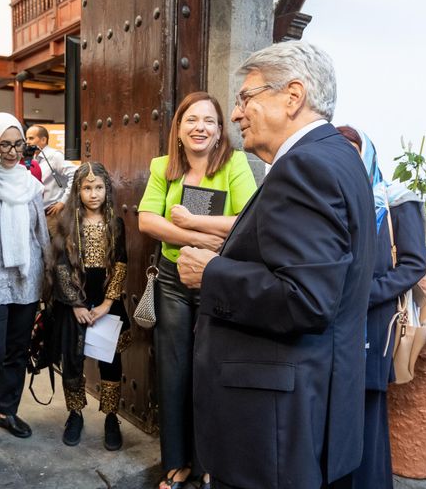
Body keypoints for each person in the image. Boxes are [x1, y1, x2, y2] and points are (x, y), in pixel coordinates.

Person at [176, 41, 376, 489]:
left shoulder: (304, 167)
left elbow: (306, 299)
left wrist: (211, 274)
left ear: (293, 96)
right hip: (307, 403)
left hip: (276, 424)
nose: (236, 113)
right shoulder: (338, 156)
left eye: (246, 97)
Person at [137, 91, 257, 489]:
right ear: (179, 129)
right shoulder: (163, 168)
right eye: (191, 120)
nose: (200, 127)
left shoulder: (235, 164)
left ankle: (211, 462)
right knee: (173, 370)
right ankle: (176, 460)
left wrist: (191, 223)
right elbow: (147, 221)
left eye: (209, 121)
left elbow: (248, 221)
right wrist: (203, 234)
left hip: (215, 278)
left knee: (211, 369)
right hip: (172, 276)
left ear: (221, 130)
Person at [337, 126, 426, 488]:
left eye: (351, 151)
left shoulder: (396, 200)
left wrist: (364, 293)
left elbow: (412, 265)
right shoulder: (332, 199)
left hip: (373, 320)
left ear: (367, 153)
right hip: (332, 319)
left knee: (366, 415)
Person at [49, 162, 130, 450]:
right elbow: (58, 268)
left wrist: (109, 302)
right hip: (75, 307)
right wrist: (76, 305)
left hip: (107, 304)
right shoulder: (65, 224)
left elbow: (120, 264)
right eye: (87, 188)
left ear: (107, 190)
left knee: (110, 363)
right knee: (73, 362)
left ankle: (111, 417)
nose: (93, 194)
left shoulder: (115, 224)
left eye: (99, 187)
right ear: (77, 191)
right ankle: (75, 414)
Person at [0, 112, 49, 438]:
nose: (11, 151)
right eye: (3, 144)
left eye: (17, 143)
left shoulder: (32, 185)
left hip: (27, 278)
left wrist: (47, 278)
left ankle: (8, 411)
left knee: (18, 350)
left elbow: (41, 233)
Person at [26, 124, 77, 233]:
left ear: (43, 140)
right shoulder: (33, 159)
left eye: (31, 138)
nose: (27, 142)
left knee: (55, 248)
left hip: (53, 215)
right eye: (26, 138)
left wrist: (63, 202)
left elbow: (75, 173)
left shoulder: (55, 156)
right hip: (39, 215)